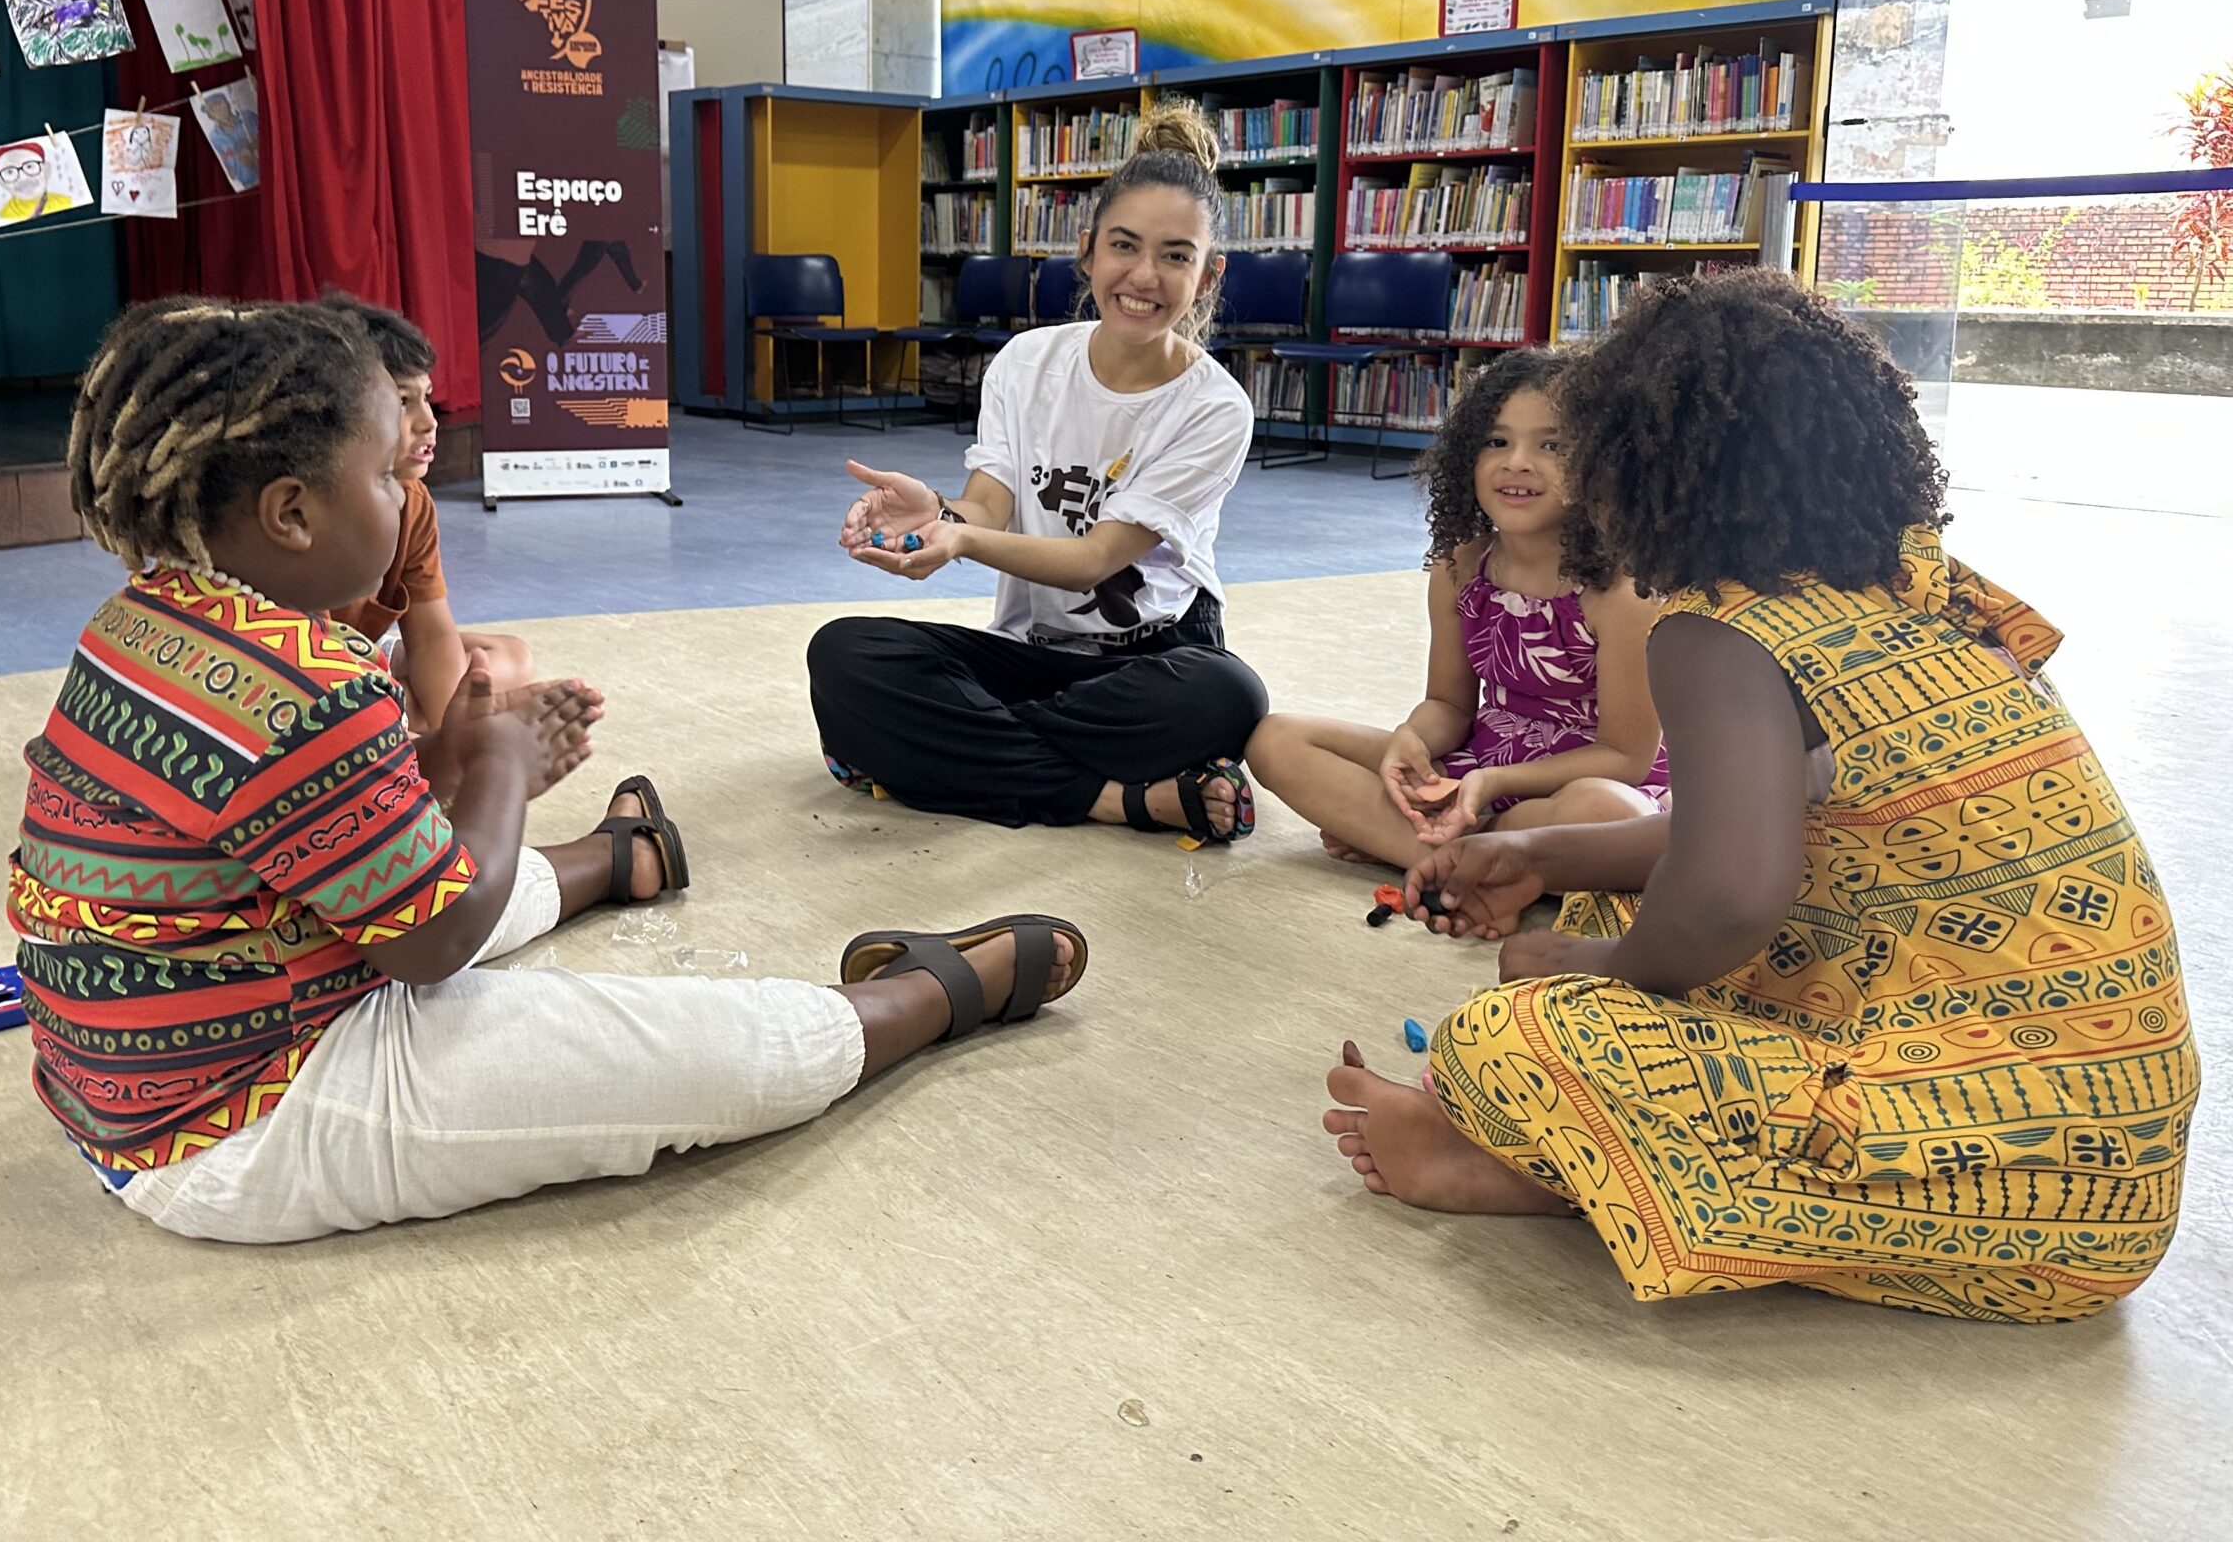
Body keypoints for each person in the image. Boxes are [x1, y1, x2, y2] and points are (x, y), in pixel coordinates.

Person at [10, 295, 1091, 1244]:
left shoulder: (140, 622)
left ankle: (612, 861)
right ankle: (923, 999)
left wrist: (438, 762)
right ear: (290, 512)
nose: (405, 495)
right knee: (701, 1054)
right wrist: (493, 768)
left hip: (128, 1081)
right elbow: (433, 943)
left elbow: (312, 839)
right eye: (387, 473)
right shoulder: (307, 687)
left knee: (444, 862)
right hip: (240, 1130)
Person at [1322, 271, 2194, 1322]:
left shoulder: (1718, 630)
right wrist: (1544, 861)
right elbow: (1780, 829)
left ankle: (1556, 1177)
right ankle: (1600, 1159)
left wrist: (1591, 966)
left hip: (2020, 1198)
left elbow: (1731, 900)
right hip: (2117, 1156)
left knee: (1505, 1035)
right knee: (1616, 911)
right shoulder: (1926, 584)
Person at [804, 106, 1269, 843]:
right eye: (1124, 246)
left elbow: (1093, 561)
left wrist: (958, 543)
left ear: (1209, 276)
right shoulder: (1027, 363)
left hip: (1157, 658)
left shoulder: (1215, 406)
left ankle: (937, 753)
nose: (1144, 276)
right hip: (1033, 653)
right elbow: (986, 508)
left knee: (1230, 696)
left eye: (1176, 257)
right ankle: (1122, 798)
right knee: (844, 653)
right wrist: (940, 514)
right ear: (1086, 253)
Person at [1246, 349, 1665, 899]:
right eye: (1496, 441)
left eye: (1552, 445)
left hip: (1577, 784)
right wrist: (1411, 740)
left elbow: (1626, 758)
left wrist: (1491, 784)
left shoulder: (1623, 591)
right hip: (1479, 766)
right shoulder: (1460, 564)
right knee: (1277, 739)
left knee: (1611, 813)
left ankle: (1427, 848)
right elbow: (1449, 705)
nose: (1516, 462)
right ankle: (1482, 860)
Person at [324, 291, 553, 736]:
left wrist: (454, 734)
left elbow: (431, 635)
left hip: (364, 657)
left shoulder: (413, 502)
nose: (429, 421)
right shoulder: (304, 507)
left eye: (427, 397)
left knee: (511, 658)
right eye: (404, 401)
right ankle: (397, 706)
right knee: (354, 710)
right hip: (299, 673)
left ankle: (403, 706)